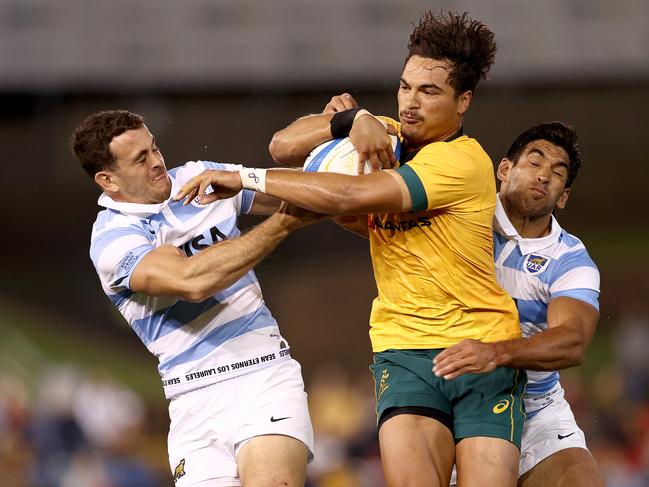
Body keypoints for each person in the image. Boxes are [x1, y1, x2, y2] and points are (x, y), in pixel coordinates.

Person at [175, 11, 525, 487]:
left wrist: (242, 177)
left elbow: (349, 196)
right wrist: (350, 118)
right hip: (403, 350)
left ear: (463, 101)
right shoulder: (390, 133)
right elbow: (283, 144)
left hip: (480, 344)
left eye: (429, 92)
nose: (410, 104)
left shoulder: (461, 162)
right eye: (405, 87)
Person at [71, 110, 318, 487]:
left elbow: (309, 191)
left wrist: (343, 133)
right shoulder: (113, 240)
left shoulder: (197, 177)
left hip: (263, 373)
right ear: (108, 180)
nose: (157, 162)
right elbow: (191, 281)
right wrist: (283, 223)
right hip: (191, 400)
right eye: (140, 159)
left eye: (154, 148)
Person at [433, 122, 605, 487]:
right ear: (504, 169)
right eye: (534, 162)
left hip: (535, 412)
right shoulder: (461, 217)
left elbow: (573, 340)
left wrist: (495, 353)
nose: (543, 176)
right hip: (453, 405)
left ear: (563, 196)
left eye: (557, 174)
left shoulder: (570, 259)